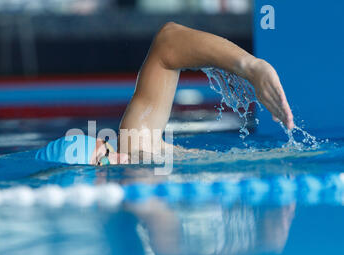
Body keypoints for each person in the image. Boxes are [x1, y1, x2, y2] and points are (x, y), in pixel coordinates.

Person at [36, 22, 294, 166]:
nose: (119, 154)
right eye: (103, 160)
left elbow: (167, 41)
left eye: (107, 147)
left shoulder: (133, 147)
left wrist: (250, 67)